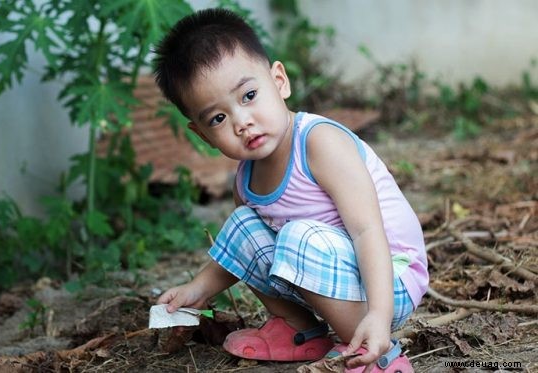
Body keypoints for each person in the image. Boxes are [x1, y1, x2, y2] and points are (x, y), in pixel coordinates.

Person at [153, 8, 428, 372]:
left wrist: (379, 315)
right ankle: (300, 331)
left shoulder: (319, 143)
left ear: (279, 81)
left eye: (249, 95)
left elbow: (367, 230)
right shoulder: (246, 179)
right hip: (331, 275)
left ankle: (379, 357)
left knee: (298, 236)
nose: (241, 121)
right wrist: (198, 289)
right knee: (243, 224)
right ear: (202, 134)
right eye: (218, 119)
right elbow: (243, 251)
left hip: (389, 277)